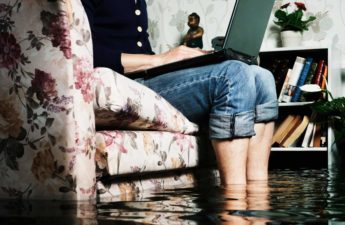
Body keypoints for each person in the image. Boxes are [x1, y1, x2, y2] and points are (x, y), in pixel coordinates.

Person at [82, 0, 278, 185]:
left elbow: (140, 50)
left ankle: (257, 200)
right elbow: (84, 52)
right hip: (126, 85)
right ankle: (234, 207)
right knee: (234, 73)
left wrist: (184, 62)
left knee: (263, 78)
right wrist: (161, 59)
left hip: (147, 77)